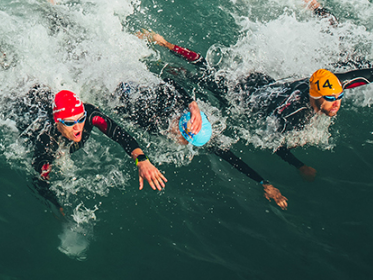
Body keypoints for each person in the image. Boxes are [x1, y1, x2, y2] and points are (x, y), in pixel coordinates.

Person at [139, 30, 373, 181]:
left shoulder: (332, 84)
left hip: (267, 81)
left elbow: (372, 74)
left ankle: (172, 56)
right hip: (245, 95)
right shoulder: (293, 114)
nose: (336, 104)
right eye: (330, 100)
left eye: (338, 97)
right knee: (207, 74)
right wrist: (300, 166)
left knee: (211, 71)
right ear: (314, 96)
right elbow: (276, 144)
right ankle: (164, 50)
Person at [114, 73, 288, 209]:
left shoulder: (190, 122)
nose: (186, 144)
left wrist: (264, 182)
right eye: (186, 140)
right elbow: (167, 82)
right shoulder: (151, 118)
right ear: (178, 129)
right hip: (122, 91)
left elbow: (233, 159)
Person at [4, 86, 166, 212]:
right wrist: (58, 209)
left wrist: (142, 160)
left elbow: (119, 134)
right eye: (69, 123)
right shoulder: (47, 142)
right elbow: (40, 182)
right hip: (22, 109)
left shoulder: (90, 115)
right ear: (57, 122)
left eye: (80, 119)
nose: (77, 127)